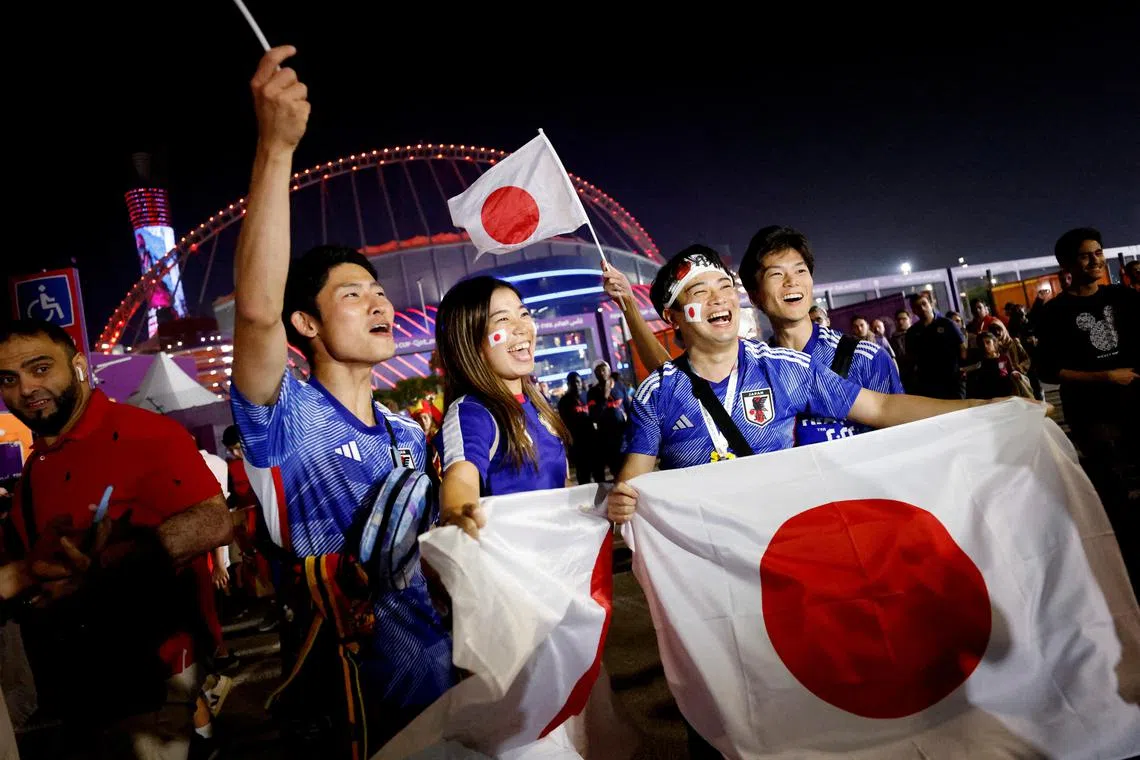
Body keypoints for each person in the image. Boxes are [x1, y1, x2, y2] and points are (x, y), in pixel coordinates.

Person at [227, 46, 451, 754]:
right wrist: (276, 148)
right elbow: (257, 313)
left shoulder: (408, 434)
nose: (380, 302)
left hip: (447, 686)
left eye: (380, 291)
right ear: (307, 325)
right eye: (352, 294)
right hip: (357, 709)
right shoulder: (283, 418)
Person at [0, 319, 232, 760]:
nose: (26, 388)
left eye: (40, 368)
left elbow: (213, 521)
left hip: (150, 678)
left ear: (80, 367)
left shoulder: (142, 432)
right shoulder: (40, 461)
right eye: (9, 379)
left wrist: (115, 557)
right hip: (79, 680)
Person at [606, 245, 1001, 498]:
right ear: (673, 317)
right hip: (713, 563)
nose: (719, 299)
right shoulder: (654, 394)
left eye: (724, 286)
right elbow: (632, 483)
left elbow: (882, 408)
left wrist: (984, 407)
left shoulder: (785, 369)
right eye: (699, 292)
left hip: (790, 541)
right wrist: (624, 500)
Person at [1033, 228, 1140, 585]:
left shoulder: (1124, 298)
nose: (1095, 260)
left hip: (1135, 405)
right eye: (1085, 255)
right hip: (1094, 416)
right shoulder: (1054, 314)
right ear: (1066, 265)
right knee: (1114, 492)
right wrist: (1105, 377)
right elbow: (1048, 370)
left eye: (1098, 252)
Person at [736, 227, 904, 446]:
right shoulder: (755, 372)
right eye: (776, 274)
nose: (791, 281)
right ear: (754, 296)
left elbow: (902, 442)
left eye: (800, 270)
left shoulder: (865, 359)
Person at [434, 275, 572, 534]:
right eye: (503, 319)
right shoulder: (472, 413)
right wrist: (457, 514)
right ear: (471, 342)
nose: (521, 327)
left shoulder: (538, 406)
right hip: (512, 566)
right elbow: (461, 478)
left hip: (561, 563)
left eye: (523, 313)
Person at [906, 293, 968, 399]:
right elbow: (911, 357)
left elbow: (962, 346)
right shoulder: (912, 332)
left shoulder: (947, 324)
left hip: (952, 379)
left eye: (924, 304)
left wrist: (962, 367)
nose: (922, 308)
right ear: (914, 310)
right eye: (917, 306)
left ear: (931, 304)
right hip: (929, 383)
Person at [587, 361, 629, 480]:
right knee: (616, 470)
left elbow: (628, 406)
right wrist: (604, 396)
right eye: (598, 371)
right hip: (606, 438)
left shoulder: (620, 386)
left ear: (609, 371)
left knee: (627, 469)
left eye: (603, 370)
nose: (601, 373)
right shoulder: (593, 392)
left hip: (622, 434)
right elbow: (594, 415)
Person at [558, 371, 597, 485]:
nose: (576, 384)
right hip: (578, 443)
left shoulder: (586, 396)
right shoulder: (564, 401)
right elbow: (564, 424)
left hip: (592, 440)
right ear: (569, 384)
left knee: (598, 473)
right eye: (573, 382)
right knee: (584, 476)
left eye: (578, 381)